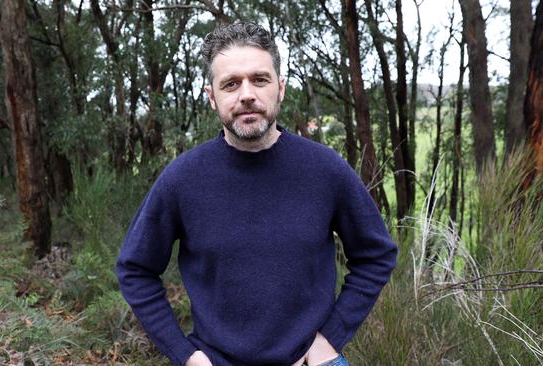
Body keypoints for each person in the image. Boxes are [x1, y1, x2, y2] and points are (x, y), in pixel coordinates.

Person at [115, 22, 398, 366]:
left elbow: (376, 254)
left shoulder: (324, 169)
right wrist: (186, 356)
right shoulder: (183, 179)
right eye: (231, 84)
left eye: (259, 80)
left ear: (279, 89)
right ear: (212, 97)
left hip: (313, 360)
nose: (246, 94)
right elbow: (135, 268)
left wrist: (330, 339)